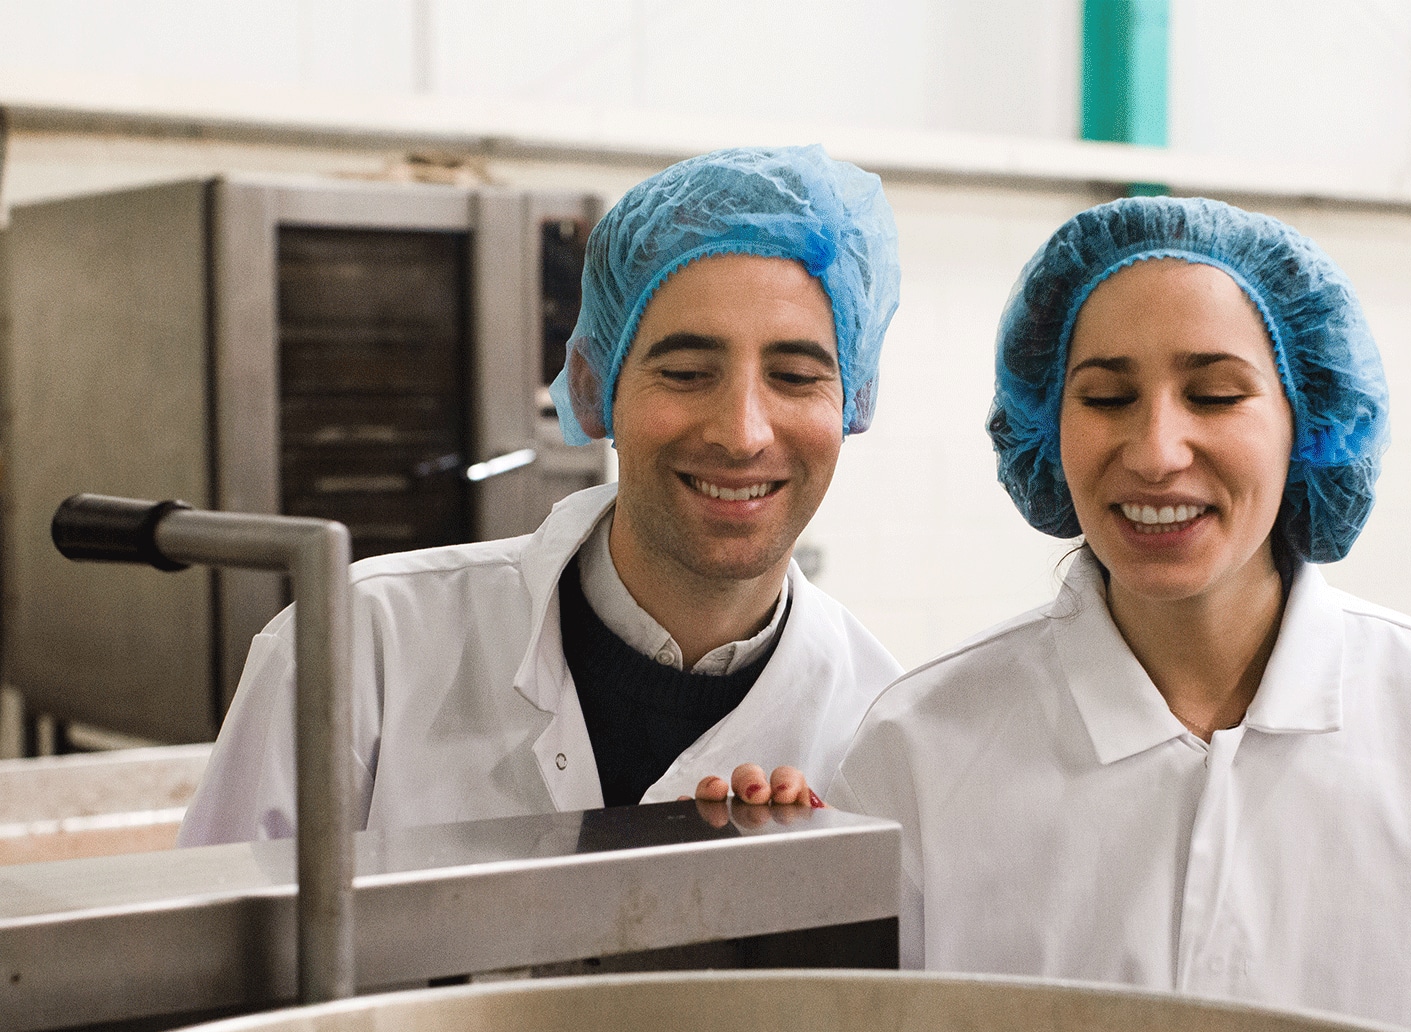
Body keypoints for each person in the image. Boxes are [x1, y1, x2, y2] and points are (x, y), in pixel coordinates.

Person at [829, 196, 1411, 1032]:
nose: (1157, 451)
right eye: (1108, 396)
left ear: (1304, 420)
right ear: (1050, 420)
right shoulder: (920, 752)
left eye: (1216, 394)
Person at [182, 146, 901, 845]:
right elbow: (220, 956)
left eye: (797, 377)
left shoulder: (883, 725)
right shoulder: (355, 651)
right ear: (594, 390)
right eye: (685, 372)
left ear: (854, 400)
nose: (742, 435)